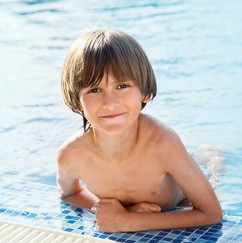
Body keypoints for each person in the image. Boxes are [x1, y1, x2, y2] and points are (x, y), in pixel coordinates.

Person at [56, 29, 222, 232]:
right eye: (94, 90)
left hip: (181, 200)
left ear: (144, 92)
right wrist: (106, 211)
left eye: (122, 86)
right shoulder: (71, 155)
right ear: (77, 102)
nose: (110, 103)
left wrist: (129, 221)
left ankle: (212, 158)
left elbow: (211, 213)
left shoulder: (162, 143)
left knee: (214, 173)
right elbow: (68, 194)